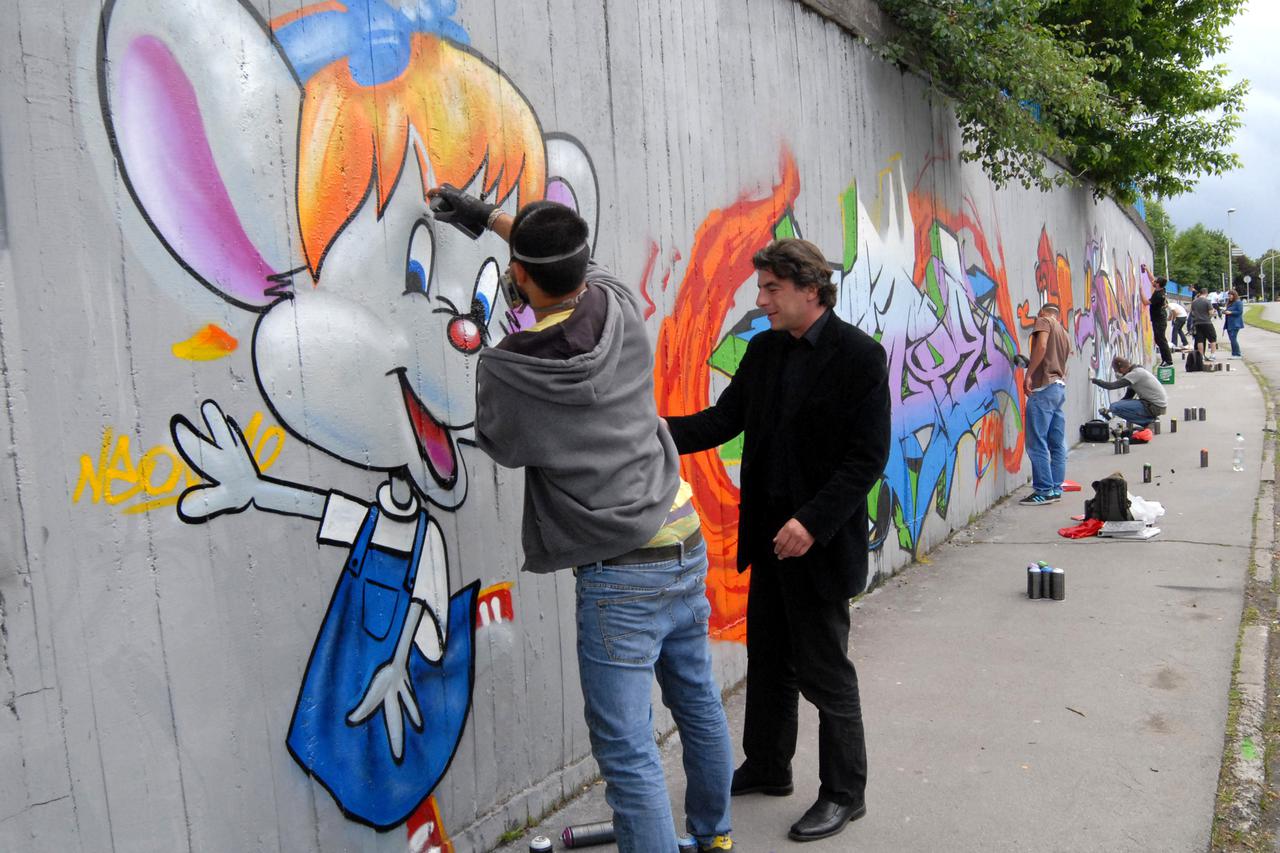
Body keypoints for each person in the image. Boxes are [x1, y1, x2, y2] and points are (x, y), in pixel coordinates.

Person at [428, 185, 734, 853]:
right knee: (697, 701)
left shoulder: (512, 367)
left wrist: (487, 235)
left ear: (519, 276)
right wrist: (491, 218)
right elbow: (566, 264)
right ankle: (714, 837)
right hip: (681, 536)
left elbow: (504, 445)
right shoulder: (618, 303)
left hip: (621, 570)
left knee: (627, 749)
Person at [665, 239, 890, 844]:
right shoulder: (763, 351)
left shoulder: (859, 357)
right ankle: (769, 765)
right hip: (768, 539)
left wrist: (812, 522)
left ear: (810, 290)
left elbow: (866, 459)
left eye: (770, 289)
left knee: (825, 672)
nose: (760, 301)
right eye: (760, 289)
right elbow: (721, 421)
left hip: (818, 544)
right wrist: (649, 431)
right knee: (768, 661)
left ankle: (845, 792)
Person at [1020, 303, 1071, 506]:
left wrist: (1029, 374)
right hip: (1058, 388)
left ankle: (1043, 490)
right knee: (1056, 443)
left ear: (1043, 312)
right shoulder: (1064, 333)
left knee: (1036, 442)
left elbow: (1041, 347)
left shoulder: (1043, 321)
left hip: (1044, 389)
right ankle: (1056, 488)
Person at [1092, 357, 1168, 427]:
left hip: (1155, 406)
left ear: (1121, 369)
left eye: (1116, 371)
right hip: (1155, 405)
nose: (1117, 374)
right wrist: (1110, 410)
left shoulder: (1135, 374)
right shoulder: (1136, 372)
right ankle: (1149, 418)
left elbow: (1111, 386)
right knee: (1115, 407)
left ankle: (1148, 421)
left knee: (1115, 407)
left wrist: (1094, 380)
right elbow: (1128, 396)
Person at [1147, 274, 1173, 366]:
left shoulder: (1158, 295)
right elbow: (1152, 280)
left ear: (1158, 284)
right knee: (1159, 339)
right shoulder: (1161, 289)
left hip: (1159, 320)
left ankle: (1168, 360)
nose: (1153, 282)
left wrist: (1140, 290)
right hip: (1158, 319)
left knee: (1161, 340)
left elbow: (1147, 302)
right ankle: (1165, 360)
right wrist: (1146, 270)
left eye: (1155, 281)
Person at [1190, 288, 1217, 360]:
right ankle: (1213, 355)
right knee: (1212, 338)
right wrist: (1214, 313)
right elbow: (1211, 313)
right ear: (1206, 293)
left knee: (1200, 340)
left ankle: (1201, 356)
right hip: (1207, 322)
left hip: (1197, 323)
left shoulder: (1194, 302)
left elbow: (1192, 313)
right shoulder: (1207, 301)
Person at [1223, 289, 1244, 357]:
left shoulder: (1238, 302)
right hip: (1229, 324)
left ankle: (1237, 354)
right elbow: (1227, 310)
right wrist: (1224, 311)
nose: (1229, 297)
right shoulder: (1229, 303)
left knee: (1233, 338)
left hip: (1235, 323)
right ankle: (1234, 353)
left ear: (1234, 295)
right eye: (1228, 296)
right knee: (1231, 339)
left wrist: (1231, 312)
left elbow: (1240, 312)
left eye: (1230, 296)